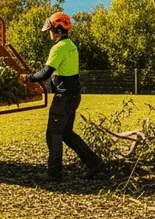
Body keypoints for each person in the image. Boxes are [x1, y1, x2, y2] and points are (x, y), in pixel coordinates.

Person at [19, 11, 106, 182]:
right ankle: (95, 163)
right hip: (74, 96)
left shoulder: (58, 48)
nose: (49, 33)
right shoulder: (71, 45)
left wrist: (27, 78)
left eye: (50, 30)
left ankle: (54, 173)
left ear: (57, 30)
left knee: (53, 134)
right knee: (66, 132)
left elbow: (45, 73)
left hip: (63, 97)